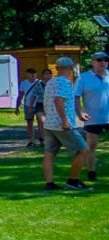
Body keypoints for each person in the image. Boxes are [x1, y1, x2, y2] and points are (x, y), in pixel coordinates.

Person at [42, 55, 89, 190]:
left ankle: (49, 183)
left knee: (49, 153)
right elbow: (58, 100)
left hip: (49, 123)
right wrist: (65, 120)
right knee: (83, 150)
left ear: (56, 68)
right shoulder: (64, 82)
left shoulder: (51, 82)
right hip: (62, 124)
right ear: (71, 69)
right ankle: (73, 181)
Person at [78, 52, 109, 182]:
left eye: (105, 60)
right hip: (92, 117)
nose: (103, 62)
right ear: (93, 62)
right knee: (91, 145)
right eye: (99, 60)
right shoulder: (84, 77)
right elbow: (76, 96)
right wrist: (79, 112)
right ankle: (91, 172)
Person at [21, 67, 44, 145]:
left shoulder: (40, 82)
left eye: (34, 73)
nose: (33, 75)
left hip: (39, 104)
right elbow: (21, 94)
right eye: (31, 73)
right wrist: (17, 105)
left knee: (41, 122)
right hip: (28, 105)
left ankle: (42, 138)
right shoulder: (24, 83)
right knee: (29, 123)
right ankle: (31, 140)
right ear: (27, 74)